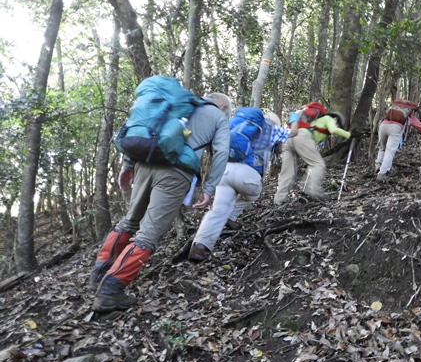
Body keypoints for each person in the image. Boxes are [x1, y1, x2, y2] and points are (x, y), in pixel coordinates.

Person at [88, 91, 232, 312]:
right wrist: (210, 188)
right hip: (176, 174)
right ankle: (110, 291)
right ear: (223, 107)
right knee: (149, 234)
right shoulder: (218, 116)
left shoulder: (177, 103)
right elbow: (222, 152)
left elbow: (141, 127)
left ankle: (99, 274)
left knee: (130, 221)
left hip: (145, 163)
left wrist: (128, 165)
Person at [188, 109, 294, 262]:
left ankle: (200, 246)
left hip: (225, 171)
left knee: (217, 211)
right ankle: (231, 216)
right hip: (248, 175)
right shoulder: (271, 129)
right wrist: (295, 118)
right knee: (253, 193)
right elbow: (293, 133)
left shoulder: (242, 127)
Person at [273, 102, 359, 205]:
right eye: (339, 124)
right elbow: (333, 129)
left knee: (288, 172)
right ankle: (312, 190)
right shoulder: (329, 119)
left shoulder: (316, 122)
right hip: (302, 137)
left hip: (289, 137)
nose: (338, 125)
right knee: (318, 164)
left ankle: (278, 200)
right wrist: (349, 134)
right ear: (336, 119)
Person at [375, 100, 421, 182]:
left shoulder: (392, 110)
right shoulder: (408, 114)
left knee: (382, 148)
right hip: (395, 128)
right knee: (390, 151)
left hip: (383, 126)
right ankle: (382, 173)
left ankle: (378, 166)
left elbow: (381, 120)